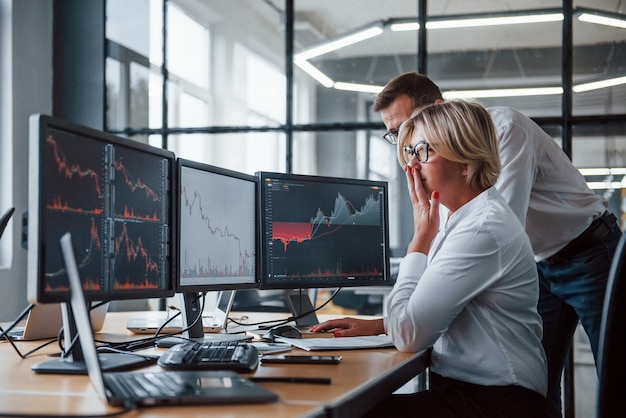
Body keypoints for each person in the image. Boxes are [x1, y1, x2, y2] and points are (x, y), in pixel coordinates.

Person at [370, 71, 620, 418]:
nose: (407, 158)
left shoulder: (504, 133)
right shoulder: (465, 207)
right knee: (537, 377)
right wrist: (384, 322)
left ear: (441, 114)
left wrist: (421, 241)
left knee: (614, 374)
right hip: (540, 258)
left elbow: (493, 227)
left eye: (416, 138)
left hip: (587, 250)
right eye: (396, 136)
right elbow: (447, 264)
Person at [312, 99, 548, 417]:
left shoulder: (481, 228)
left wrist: (419, 241)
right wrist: (380, 325)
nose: (411, 166)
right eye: (409, 153)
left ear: (466, 159)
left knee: (348, 410)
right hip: (476, 392)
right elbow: (426, 313)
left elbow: (409, 334)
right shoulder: (463, 218)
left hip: (499, 402)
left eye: (423, 151)